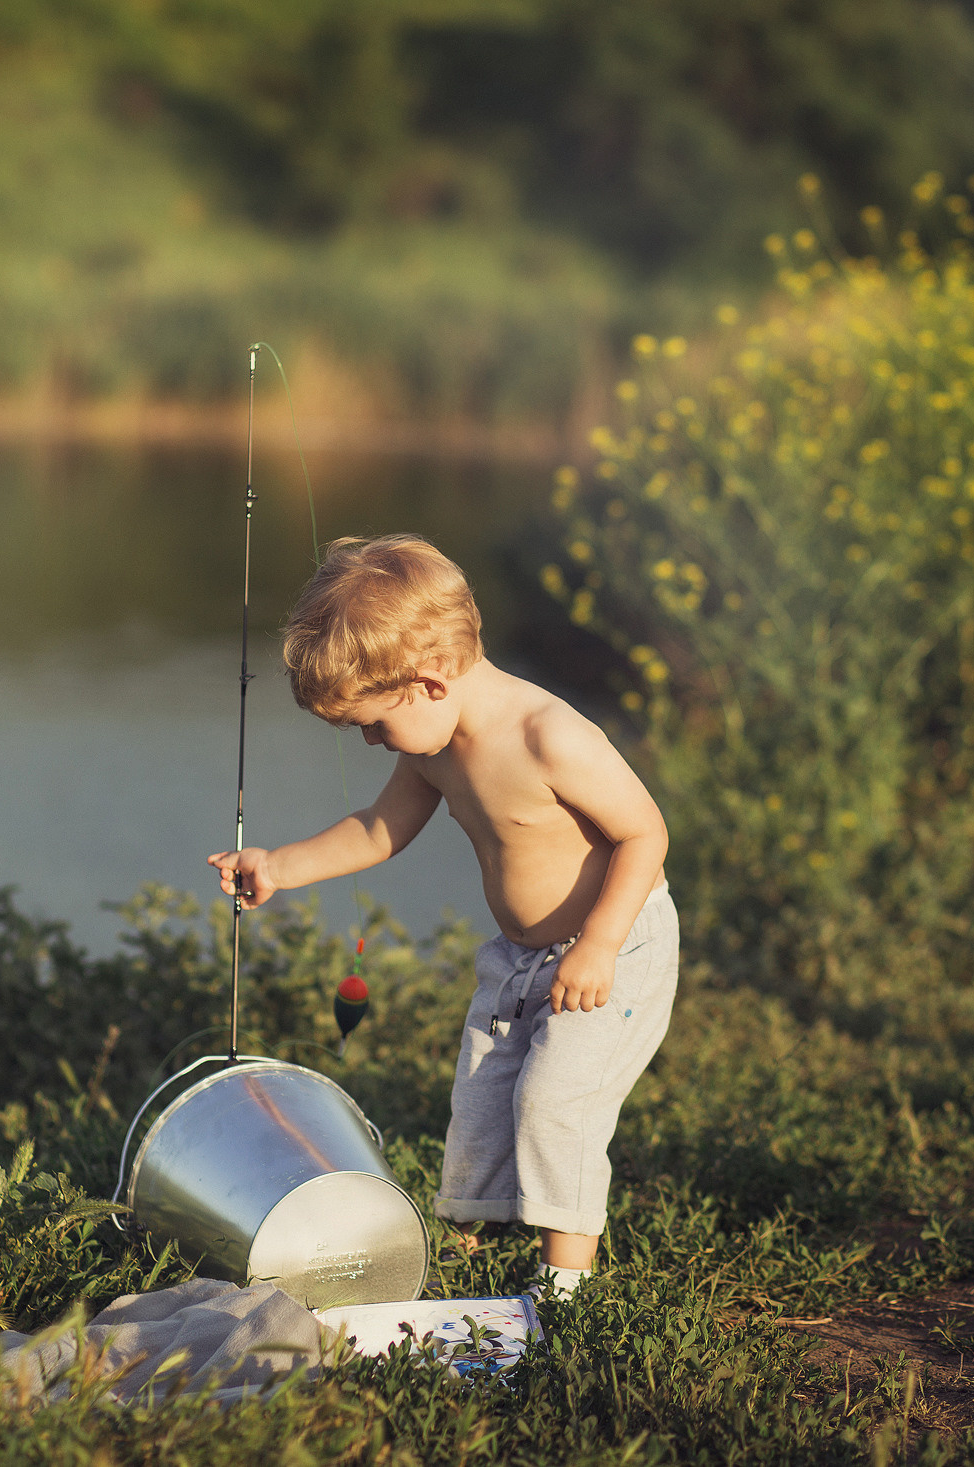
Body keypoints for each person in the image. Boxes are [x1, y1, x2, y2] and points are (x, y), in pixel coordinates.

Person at [207, 534, 675, 1300]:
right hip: (518, 959)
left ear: (427, 682)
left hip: (614, 947)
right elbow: (379, 828)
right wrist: (280, 866)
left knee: (555, 1100)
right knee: (483, 1098)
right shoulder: (432, 743)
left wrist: (599, 942)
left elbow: (645, 834)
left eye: (373, 724)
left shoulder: (549, 737)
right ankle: (471, 1243)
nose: (370, 739)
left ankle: (566, 1285)